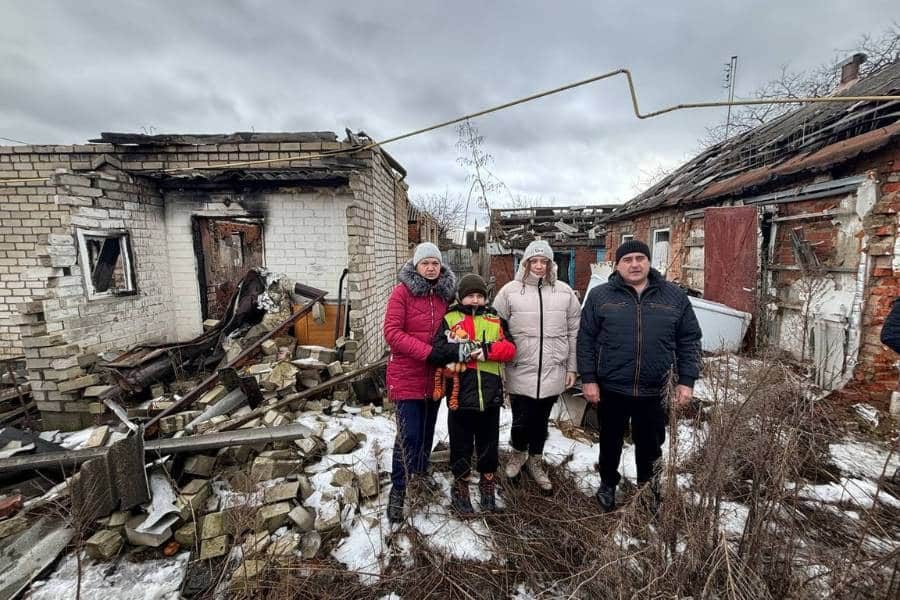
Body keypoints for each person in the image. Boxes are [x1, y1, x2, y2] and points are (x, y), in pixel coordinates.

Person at [577, 239, 702, 512]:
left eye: (639, 258)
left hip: (655, 389)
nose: (634, 264)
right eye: (627, 259)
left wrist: (686, 380)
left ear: (648, 262)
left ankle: (648, 491)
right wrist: (588, 378)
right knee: (610, 441)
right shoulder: (601, 297)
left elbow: (689, 340)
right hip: (612, 387)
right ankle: (608, 484)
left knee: (651, 445)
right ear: (618, 265)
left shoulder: (673, 297)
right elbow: (585, 339)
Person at [493, 240, 582, 494]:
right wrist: (499, 365)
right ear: (526, 263)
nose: (539, 266)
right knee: (521, 418)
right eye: (535, 261)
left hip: (554, 368)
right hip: (519, 366)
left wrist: (572, 368)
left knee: (542, 419)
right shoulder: (510, 292)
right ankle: (518, 454)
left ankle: (535, 460)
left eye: (544, 261)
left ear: (551, 264)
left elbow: (575, 333)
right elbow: (495, 328)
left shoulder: (564, 293)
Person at [428, 273, 517, 514]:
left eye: (479, 296)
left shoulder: (494, 318)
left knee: (489, 443)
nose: (475, 300)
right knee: (461, 443)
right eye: (470, 296)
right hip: (460, 396)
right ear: (461, 297)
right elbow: (438, 349)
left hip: (490, 396)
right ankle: (461, 484)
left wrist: (487, 351)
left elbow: (510, 348)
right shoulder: (451, 318)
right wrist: (462, 350)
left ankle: (488, 482)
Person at [383, 242, 456, 523]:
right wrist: (428, 352)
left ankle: (420, 473)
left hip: (435, 377)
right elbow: (392, 332)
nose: (430, 268)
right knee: (408, 435)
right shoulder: (402, 292)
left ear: (441, 267)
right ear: (416, 265)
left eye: (435, 263)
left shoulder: (444, 295)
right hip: (407, 374)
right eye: (425, 263)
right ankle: (398, 489)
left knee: (426, 432)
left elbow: (455, 327)